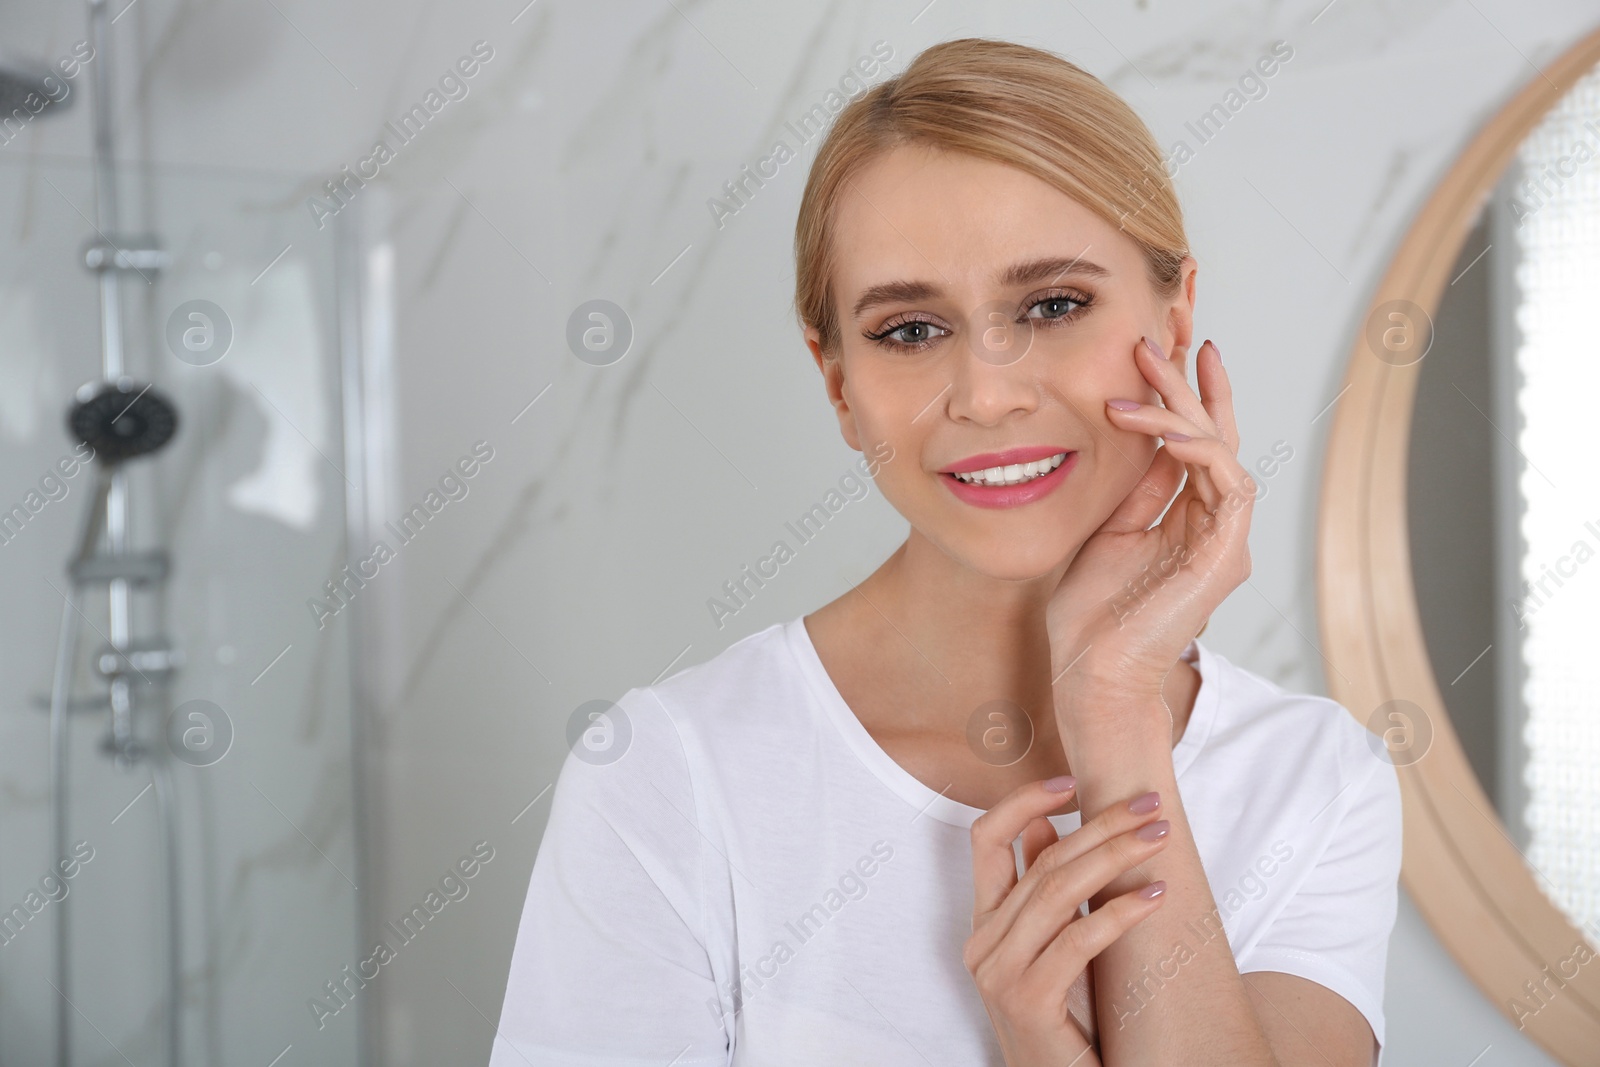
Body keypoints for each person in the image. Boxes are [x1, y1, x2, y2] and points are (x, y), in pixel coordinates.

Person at [490, 36, 1401, 1067]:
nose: (986, 391)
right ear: (837, 381)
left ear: (1175, 313)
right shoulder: (667, 777)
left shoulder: (1316, 780)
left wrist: (1110, 700)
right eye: (910, 329)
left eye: (1053, 305)